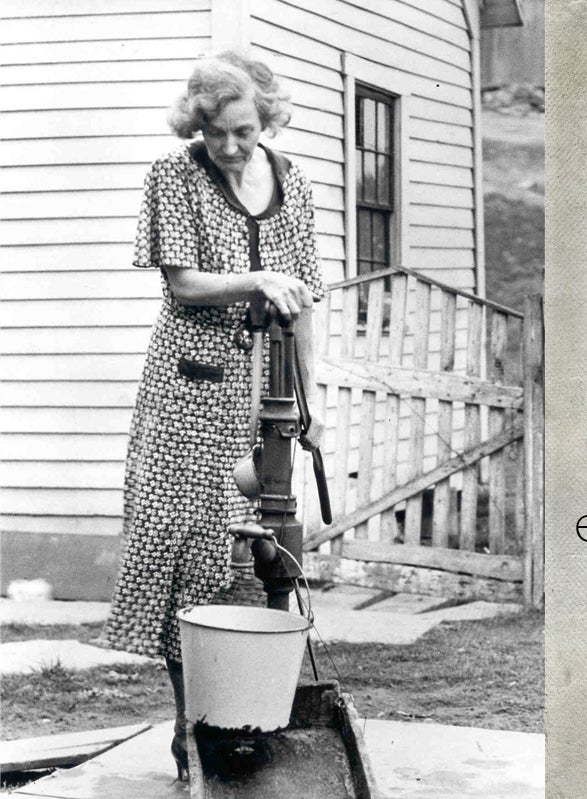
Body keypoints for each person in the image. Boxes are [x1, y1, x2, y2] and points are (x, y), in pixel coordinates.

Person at [96, 51, 325, 782]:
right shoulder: (174, 174)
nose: (228, 146)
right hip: (187, 394)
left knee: (262, 550)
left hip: (268, 389)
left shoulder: (296, 185)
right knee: (186, 548)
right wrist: (256, 278)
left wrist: (310, 402)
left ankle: (252, 723)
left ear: (268, 121)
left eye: (242, 131)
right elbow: (185, 282)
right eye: (214, 132)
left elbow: (303, 301)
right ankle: (188, 726)